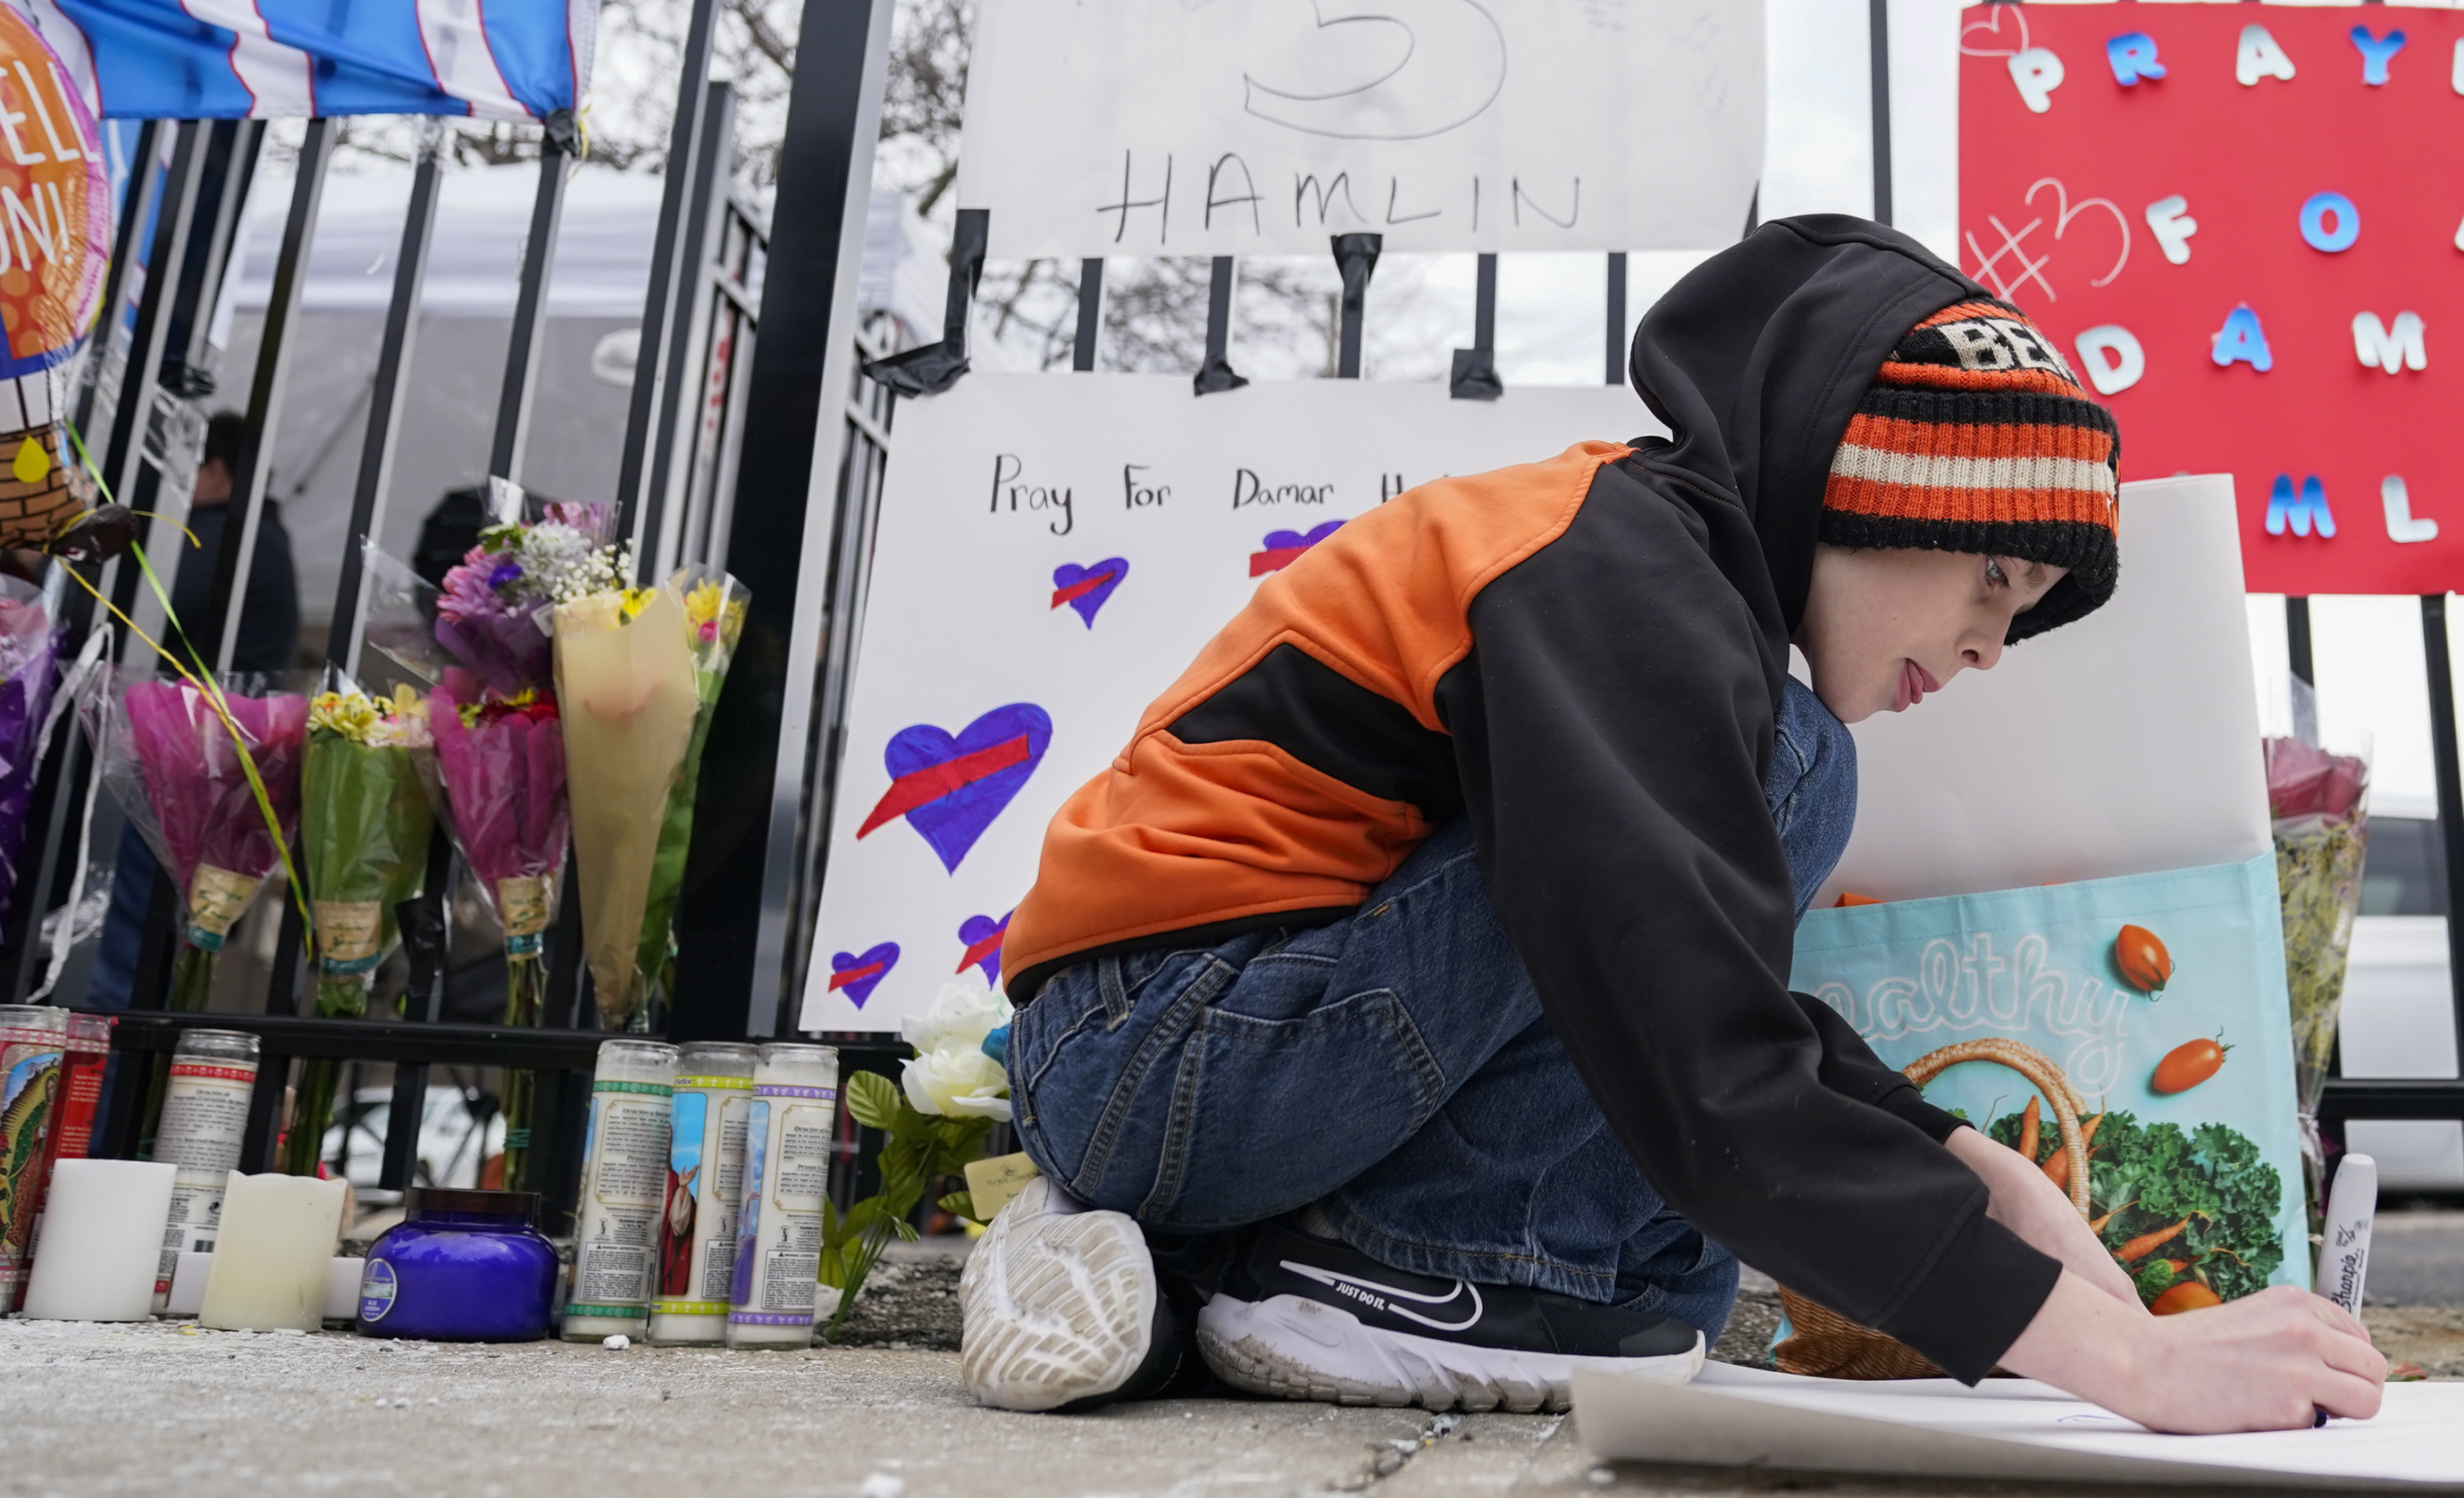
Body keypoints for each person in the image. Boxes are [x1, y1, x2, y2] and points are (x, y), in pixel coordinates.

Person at [959, 215, 2386, 1430]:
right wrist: (2125, 1358)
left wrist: (1981, 1166)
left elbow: (1693, 979)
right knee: (1794, 780)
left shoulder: (1659, 591)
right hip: (1165, 1041)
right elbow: (1670, 1004)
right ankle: (1385, 1267)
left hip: (1226, 1046)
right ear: (1866, 486)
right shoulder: (1617, 570)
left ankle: (1192, 1277)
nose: (1987, 651)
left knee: (1657, 1291)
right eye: (1991, 580)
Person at [176, 410, 299, 678]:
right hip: (239, 696)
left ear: (215, 469)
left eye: (189, 467)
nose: (179, 482)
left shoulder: (225, 532)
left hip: (215, 700)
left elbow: (156, 601)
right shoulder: (260, 529)